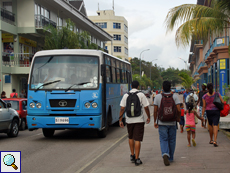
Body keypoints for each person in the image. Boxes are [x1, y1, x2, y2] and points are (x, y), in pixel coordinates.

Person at [119, 80, 150, 166]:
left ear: (131, 86)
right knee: (138, 139)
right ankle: (137, 158)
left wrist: (120, 120)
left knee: (131, 137)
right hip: (139, 120)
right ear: (138, 86)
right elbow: (146, 107)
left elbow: (122, 108)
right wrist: (149, 117)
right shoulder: (141, 95)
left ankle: (132, 155)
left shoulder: (126, 95)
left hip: (129, 120)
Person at [153, 81, 181, 166]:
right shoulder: (175, 96)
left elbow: (155, 111)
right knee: (172, 140)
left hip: (162, 122)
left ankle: (165, 153)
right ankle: (171, 157)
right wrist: (178, 118)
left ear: (162, 87)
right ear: (170, 88)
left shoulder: (157, 97)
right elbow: (179, 110)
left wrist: (155, 121)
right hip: (172, 122)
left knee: (163, 139)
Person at [202, 83, 224, 147]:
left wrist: (202, 115)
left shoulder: (205, 96)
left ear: (207, 88)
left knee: (210, 125)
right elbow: (222, 101)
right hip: (216, 111)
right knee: (215, 125)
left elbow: (204, 106)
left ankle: (211, 139)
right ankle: (215, 140)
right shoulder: (217, 94)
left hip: (209, 111)